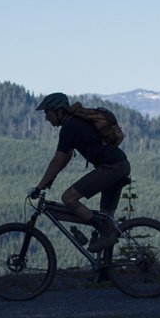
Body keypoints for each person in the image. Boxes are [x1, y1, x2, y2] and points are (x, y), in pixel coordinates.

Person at [31, 92, 130, 250]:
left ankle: (106, 234)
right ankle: (106, 263)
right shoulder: (75, 122)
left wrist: (39, 187)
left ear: (59, 111)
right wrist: (50, 179)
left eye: (48, 113)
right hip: (119, 164)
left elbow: (58, 160)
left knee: (68, 198)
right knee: (106, 218)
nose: (46, 118)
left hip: (112, 167)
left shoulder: (69, 127)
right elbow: (66, 156)